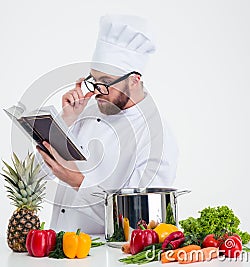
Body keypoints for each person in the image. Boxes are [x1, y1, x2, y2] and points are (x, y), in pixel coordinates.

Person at [36, 14, 179, 234]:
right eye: (93, 80)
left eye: (105, 83)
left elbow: (138, 220)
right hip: (56, 245)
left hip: (105, 255)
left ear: (135, 79)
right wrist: (66, 121)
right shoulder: (85, 111)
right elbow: (37, 176)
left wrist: (76, 181)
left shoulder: (156, 136)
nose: (95, 91)